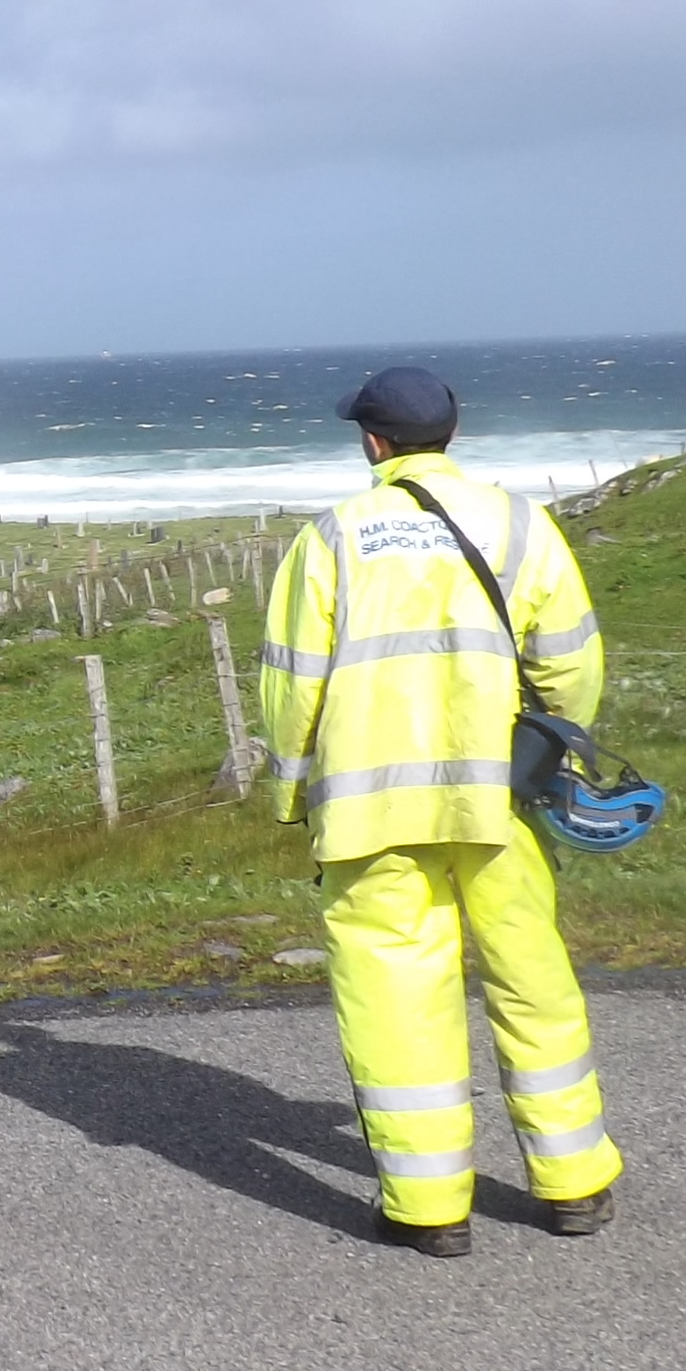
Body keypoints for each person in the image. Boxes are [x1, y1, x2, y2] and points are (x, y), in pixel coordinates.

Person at [259, 367, 619, 1257]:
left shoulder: (331, 539)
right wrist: (555, 744)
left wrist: (288, 787)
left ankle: (428, 1211)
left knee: (396, 995)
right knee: (530, 977)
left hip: (370, 812)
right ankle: (574, 1183)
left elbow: (290, 685)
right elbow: (571, 662)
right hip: (495, 797)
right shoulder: (518, 523)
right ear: (451, 433)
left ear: (372, 442)